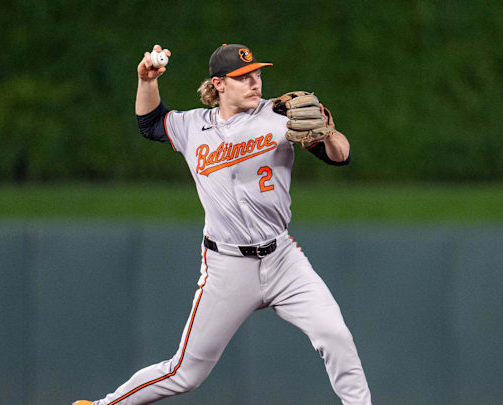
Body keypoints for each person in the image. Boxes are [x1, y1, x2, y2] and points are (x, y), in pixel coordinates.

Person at [74, 43, 372, 405]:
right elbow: (150, 123)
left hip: (282, 260)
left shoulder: (280, 116)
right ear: (219, 84)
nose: (255, 83)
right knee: (184, 373)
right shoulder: (192, 127)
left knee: (335, 335)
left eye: (257, 74)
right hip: (227, 265)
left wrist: (326, 132)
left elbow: (340, 156)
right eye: (243, 78)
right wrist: (146, 80)